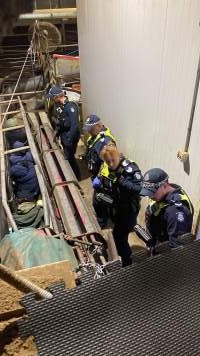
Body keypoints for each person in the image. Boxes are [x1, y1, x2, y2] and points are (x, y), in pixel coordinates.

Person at [92, 145, 142, 267]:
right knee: (118, 236)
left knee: (119, 238)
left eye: (112, 160)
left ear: (117, 156)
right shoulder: (107, 166)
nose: (110, 164)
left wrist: (123, 181)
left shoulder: (129, 168)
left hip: (128, 209)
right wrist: (99, 180)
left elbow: (139, 189)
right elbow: (105, 177)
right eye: (107, 161)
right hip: (116, 208)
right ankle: (125, 259)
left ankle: (128, 263)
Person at [140, 168, 194, 252]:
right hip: (155, 244)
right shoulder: (162, 196)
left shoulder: (175, 211)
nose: (150, 196)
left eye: (152, 192)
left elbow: (177, 248)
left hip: (164, 256)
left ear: (164, 185)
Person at [46, 85, 81, 180]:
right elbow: (63, 123)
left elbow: (74, 126)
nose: (52, 100)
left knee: (70, 158)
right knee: (68, 158)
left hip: (70, 138)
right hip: (65, 136)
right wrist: (57, 133)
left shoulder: (70, 107)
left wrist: (69, 140)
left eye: (53, 98)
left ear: (57, 97)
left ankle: (76, 178)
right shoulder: (62, 106)